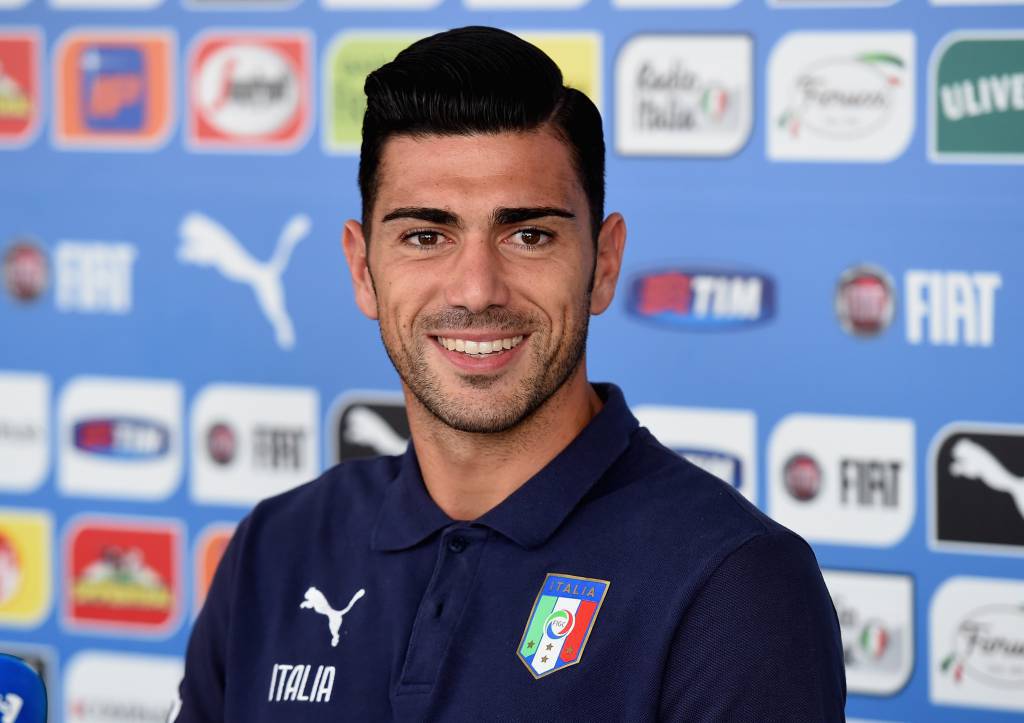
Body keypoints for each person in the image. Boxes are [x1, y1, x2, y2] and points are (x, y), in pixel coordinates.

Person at [175, 26, 846, 721]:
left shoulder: (733, 586)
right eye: (425, 236)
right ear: (362, 268)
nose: (475, 290)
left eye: (528, 235)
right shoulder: (273, 549)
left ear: (604, 263)